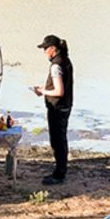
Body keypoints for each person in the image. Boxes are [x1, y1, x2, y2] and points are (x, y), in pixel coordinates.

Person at [32, 34, 73, 185]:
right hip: (66, 105)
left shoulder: (56, 66)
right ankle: (61, 169)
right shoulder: (66, 60)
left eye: (45, 49)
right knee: (61, 139)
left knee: (57, 141)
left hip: (57, 107)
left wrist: (42, 91)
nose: (44, 52)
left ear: (53, 49)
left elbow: (59, 91)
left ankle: (59, 174)